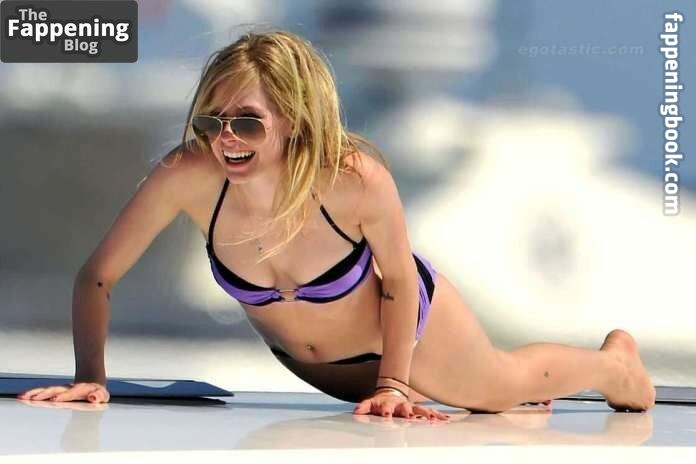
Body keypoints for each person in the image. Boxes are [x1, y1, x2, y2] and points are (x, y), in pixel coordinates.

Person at [17, 30, 656, 419]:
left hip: (405, 339)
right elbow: (97, 276)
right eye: (212, 122)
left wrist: (395, 384)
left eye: (247, 122)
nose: (225, 139)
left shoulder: (352, 179)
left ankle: (616, 366)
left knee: (498, 388)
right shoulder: (188, 175)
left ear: (294, 120)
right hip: (318, 370)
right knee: (498, 398)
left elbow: (399, 281)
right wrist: (91, 378)